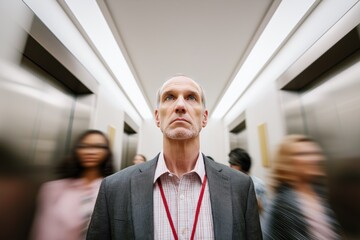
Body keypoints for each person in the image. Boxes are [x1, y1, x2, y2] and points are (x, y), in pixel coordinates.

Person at [87, 75, 262, 239]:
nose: (180, 105)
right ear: (157, 117)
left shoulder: (241, 187)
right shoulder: (114, 188)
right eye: (169, 97)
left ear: (204, 118)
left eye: (191, 97)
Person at [31, 129, 114, 240]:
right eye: (84, 146)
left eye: (98, 146)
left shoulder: (112, 190)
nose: (90, 152)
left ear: (107, 152)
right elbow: (43, 230)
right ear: (76, 150)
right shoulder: (53, 189)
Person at [263, 134, 341, 240]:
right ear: (286, 162)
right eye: (303, 154)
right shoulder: (282, 205)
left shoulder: (317, 193)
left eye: (315, 153)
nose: (314, 158)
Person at [228, 148, 267, 224]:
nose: (230, 167)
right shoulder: (231, 184)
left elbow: (263, 210)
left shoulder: (257, 184)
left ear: (242, 165)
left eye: (233, 164)